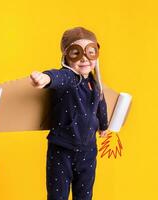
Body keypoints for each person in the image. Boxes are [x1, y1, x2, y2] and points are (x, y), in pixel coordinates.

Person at [30, 26, 108, 200]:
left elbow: (100, 103)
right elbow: (58, 76)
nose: (85, 59)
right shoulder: (69, 78)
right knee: (58, 195)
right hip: (62, 149)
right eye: (76, 53)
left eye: (90, 52)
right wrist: (46, 78)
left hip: (88, 151)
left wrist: (104, 125)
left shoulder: (95, 84)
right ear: (66, 55)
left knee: (85, 194)